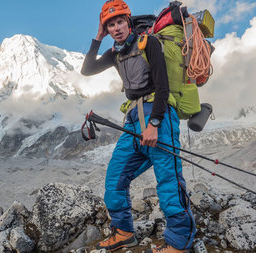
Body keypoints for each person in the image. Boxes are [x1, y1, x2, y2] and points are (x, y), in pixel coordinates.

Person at [81, 0, 196, 252]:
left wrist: (154, 123)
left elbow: (162, 86)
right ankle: (123, 232)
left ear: (129, 22)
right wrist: (97, 38)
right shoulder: (115, 53)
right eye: (110, 25)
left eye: (120, 21)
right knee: (115, 178)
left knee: (168, 180)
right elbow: (87, 70)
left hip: (159, 115)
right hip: (133, 119)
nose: (116, 28)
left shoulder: (149, 43)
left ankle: (179, 242)